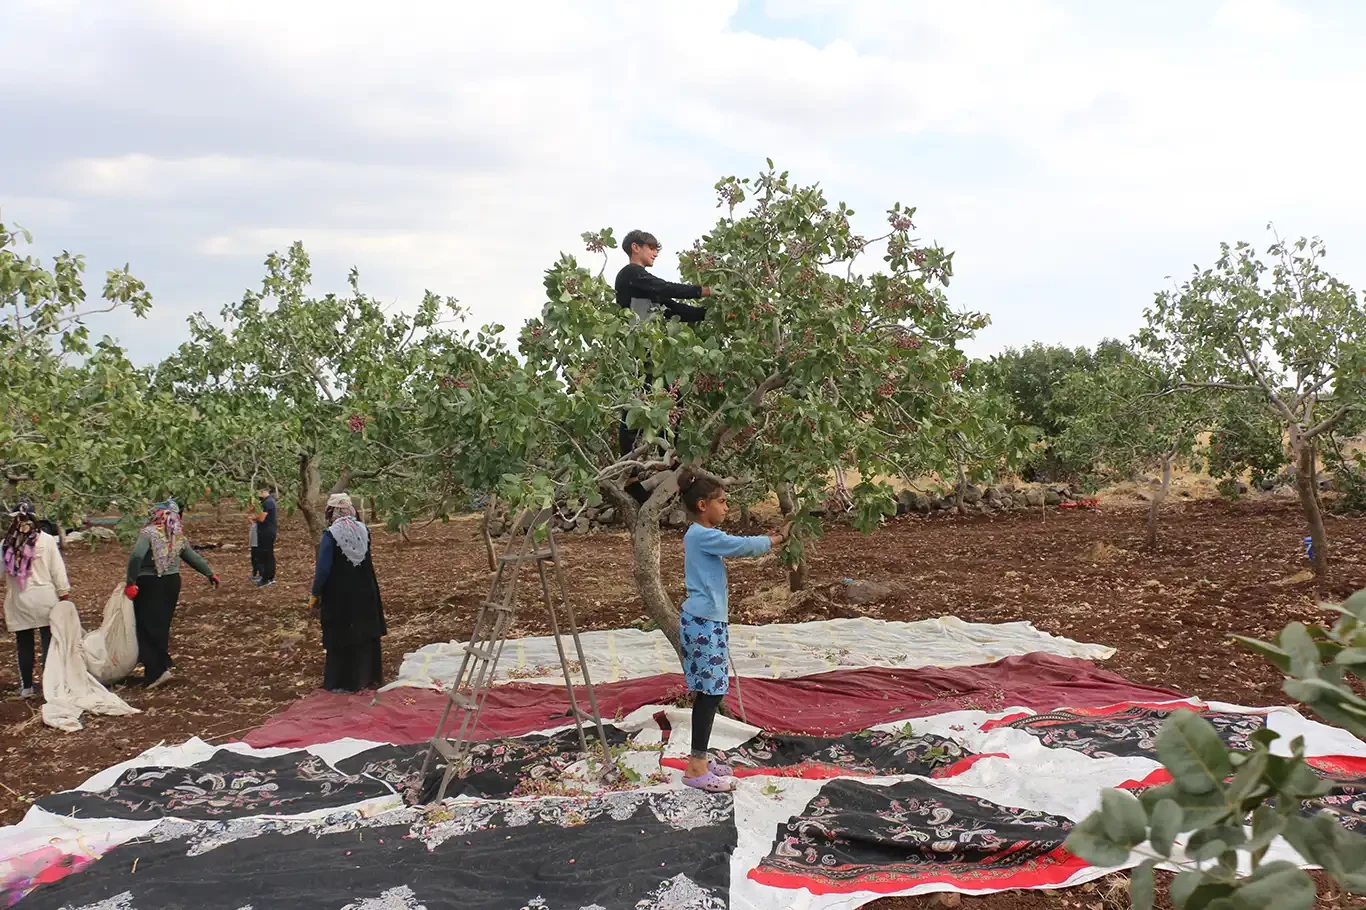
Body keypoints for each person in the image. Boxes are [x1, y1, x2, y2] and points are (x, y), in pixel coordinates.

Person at [675, 471, 788, 792]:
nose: (726, 508)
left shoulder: (700, 534)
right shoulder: (700, 534)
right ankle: (696, 768)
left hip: (707, 622)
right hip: (703, 624)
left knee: (711, 690)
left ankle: (699, 759)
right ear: (702, 505)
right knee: (710, 693)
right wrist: (777, 539)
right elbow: (740, 547)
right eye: (721, 502)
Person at [615, 230, 715, 498]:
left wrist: (715, 311)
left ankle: (667, 459)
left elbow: (675, 309)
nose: (655, 253)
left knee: (673, 401)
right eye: (651, 248)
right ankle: (629, 473)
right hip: (639, 351)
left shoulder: (647, 290)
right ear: (635, 248)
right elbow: (663, 287)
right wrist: (702, 290)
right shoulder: (630, 275)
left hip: (657, 353)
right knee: (633, 408)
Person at [124, 501, 219, 688]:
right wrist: (209, 572)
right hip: (171, 583)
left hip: (150, 583)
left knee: (146, 627)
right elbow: (191, 556)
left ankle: (155, 673)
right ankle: (163, 663)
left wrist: (130, 582)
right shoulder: (177, 535)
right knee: (161, 625)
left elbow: (136, 556)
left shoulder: (149, 533)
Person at [309, 493, 386, 693]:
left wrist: (315, 593)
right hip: (366, 589)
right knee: (365, 631)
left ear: (331, 512)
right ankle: (369, 677)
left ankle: (343, 682)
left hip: (339, 595)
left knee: (342, 633)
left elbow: (324, 569)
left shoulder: (330, 535)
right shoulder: (364, 531)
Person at [2, 502, 71, 697]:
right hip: (45, 598)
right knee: (48, 641)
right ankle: (52, 686)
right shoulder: (47, 540)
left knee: (24, 643)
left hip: (19, 599)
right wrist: (63, 593)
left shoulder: (6, 543)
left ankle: (27, 687)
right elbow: (57, 570)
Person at [250, 488, 278, 587]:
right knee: (265, 555)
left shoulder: (268, 502)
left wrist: (254, 517)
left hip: (267, 532)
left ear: (262, 491)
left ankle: (267, 578)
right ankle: (267, 577)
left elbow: (262, 518)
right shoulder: (264, 502)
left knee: (267, 555)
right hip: (264, 532)